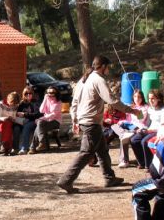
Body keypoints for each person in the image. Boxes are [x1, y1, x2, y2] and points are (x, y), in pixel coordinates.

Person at [57, 56, 141, 193]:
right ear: (103, 66)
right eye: (108, 67)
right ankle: (66, 180)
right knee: (86, 153)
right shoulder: (98, 80)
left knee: (102, 150)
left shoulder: (83, 80)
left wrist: (74, 120)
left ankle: (109, 178)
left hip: (87, 121)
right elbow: (112, 100)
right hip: (91, 122)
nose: (109, 70)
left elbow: (74, 102)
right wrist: (132, 111)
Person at [130, 89, 164, 170]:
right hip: (147, 129)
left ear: (158, 99)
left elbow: (162, 126)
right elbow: (145, 121)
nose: (150, 100)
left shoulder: (163, 110)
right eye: (149, 98)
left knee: (144, 142)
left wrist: (148, 129)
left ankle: (149, 165)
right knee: (133, 140)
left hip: (157, 131)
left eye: (153, 98)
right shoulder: (151, 108)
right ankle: (141, 162)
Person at [114, 89, 149, 168]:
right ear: (133, 97)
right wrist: (122, 121)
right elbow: (127, 119)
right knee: (115, 127)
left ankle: (124, 161)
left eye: (139, 97)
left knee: (124, 137)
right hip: (129, 127)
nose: (137, 98)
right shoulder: (131, 106)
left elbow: (141, 119)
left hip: (139, 127)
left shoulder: (145, 107)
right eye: (135, 96)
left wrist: (134, 111)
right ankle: (123, 134)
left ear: (142, 98)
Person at [30, 86, 63, 154]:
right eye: (48, 92)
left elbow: (53, 115)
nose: (50, 94)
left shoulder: (58, 102)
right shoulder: (47, 99)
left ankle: (34, 147)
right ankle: (40, 144)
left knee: (39, 123)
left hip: (55, 121)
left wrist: (41, 119)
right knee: (39, 125)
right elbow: (41, 110)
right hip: (46, 121)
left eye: (52, 92)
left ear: (56, 93)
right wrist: (45, 99)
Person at [16, 87, 41, 155]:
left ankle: (23, 148)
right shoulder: (22, 103)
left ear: (32, 94)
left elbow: (37, 114)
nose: (28, 95)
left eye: (30, 93)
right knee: (15, 128)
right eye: (26, 93)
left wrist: (25, 114)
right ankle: (14, 148)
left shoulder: (36, 102)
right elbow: (17, 112)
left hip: (33, 121)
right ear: (23, 94)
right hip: (23, 121)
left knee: (27, 127)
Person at [0, 92, 20, 156]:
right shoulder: (1, 104)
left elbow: (14, 116)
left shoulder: (15, 105)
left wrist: (12, 118)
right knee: (6, 126)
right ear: (8, 100)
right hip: (1, 121)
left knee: (8, 125)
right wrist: (4, 118)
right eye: (12, 103)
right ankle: (6, 147)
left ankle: (4, 147)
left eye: (14, 104)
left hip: (10, 122)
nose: (12, 106)